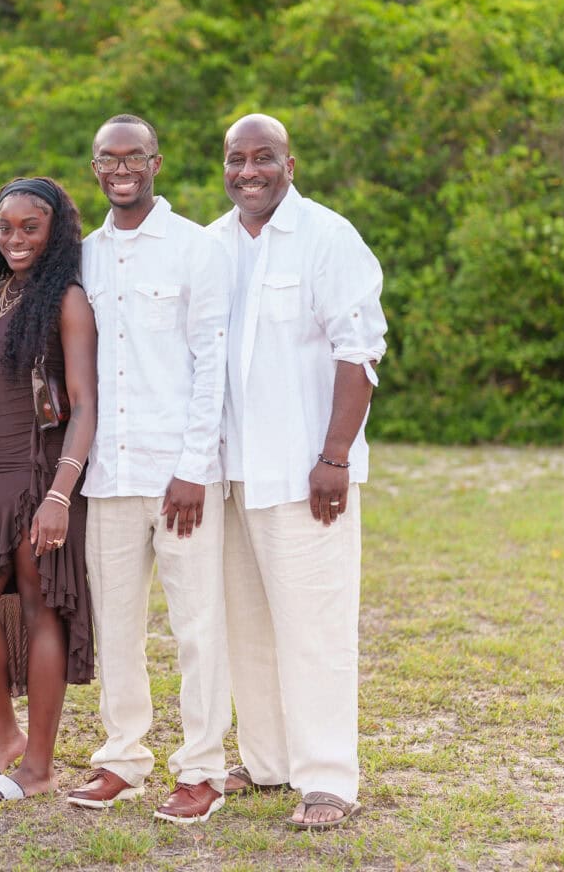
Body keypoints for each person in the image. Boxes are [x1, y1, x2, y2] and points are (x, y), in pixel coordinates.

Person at [208, 113, 386, 831]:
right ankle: (268, 759)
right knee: (246, 622)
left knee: (315, 626)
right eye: (236, 159)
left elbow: (360, 353)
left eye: (263, 158)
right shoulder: (213, 244)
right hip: (231, 472)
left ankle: (328, 778)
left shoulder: (328, 237)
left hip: (307, 470)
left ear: (290, 162)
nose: (249, 172)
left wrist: (335, 456)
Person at [66, 114, 234, 824]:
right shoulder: (83, 255)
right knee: (118, 624)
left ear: (156, 163)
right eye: (108, 158)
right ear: (97, 167)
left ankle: (202, 771)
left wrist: (194, 468)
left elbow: (211, 364)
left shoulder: (196, 248)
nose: (121, 168)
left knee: (197, 625)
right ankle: (123, 758)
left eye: (133, 156)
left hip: (179, 475)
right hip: (108, 475)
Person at [0, 177, 98, 802]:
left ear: (54, 230)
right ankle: (2, 737)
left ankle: (38, 765)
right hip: (0, 464)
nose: (15, 238)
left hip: (44, 472)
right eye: (6, 227)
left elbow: (84, 408)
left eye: (30, 227)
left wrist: (60, 494)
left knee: (39, 609)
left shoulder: (67, 298)